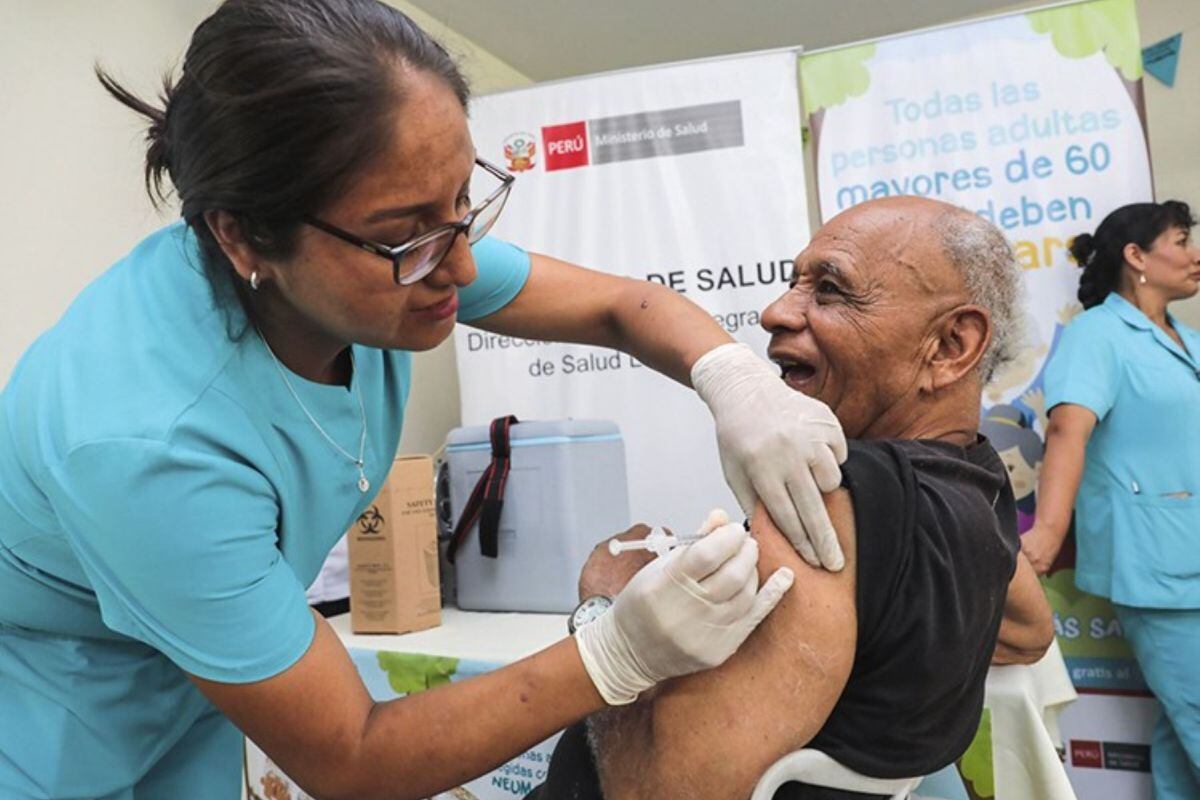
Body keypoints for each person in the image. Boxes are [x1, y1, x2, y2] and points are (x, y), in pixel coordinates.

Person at [0, 2, 852, 797]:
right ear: (242, 232)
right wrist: (616, 654)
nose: (464, 271)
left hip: (197, 688)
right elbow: (353, 753)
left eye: (463, 203)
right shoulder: (146, 441)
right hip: (50, 720)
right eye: (407, 236)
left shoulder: (374, 268)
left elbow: (620, 307)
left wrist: (730, 379)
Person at [527, 197, 1054, 800]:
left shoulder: (825, 497)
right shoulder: (975, 483)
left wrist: (610, 607)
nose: (775, 313)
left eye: (830, 290)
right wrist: (877, 646)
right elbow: (1030, 631)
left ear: (950, 345)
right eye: (793, 284)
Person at [1020, 200, 1200, 799]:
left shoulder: (1186, 340)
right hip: (1158, 565)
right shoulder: (1099, 333)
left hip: (1191, 554)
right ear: (1137, 257)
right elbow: (1069, 430)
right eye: (1182, 240)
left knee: (1182, 726)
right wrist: (1046, 534)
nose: (1195, 253)